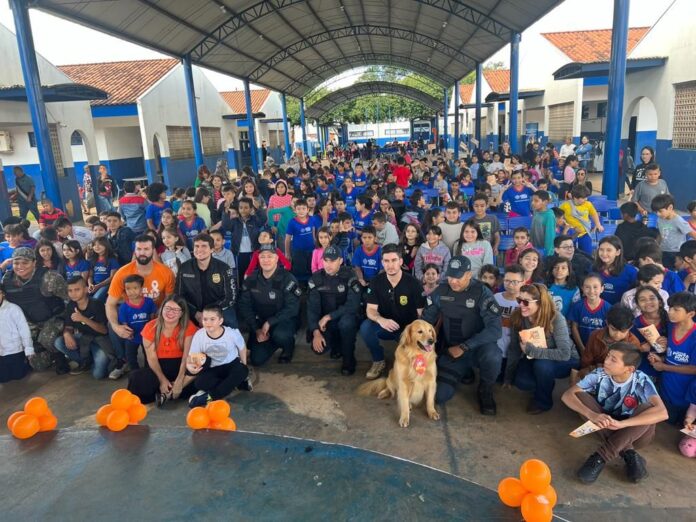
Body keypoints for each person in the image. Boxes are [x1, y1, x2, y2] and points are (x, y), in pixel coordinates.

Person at [562, 343, 668, 484]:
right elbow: (567, 396)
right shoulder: (599, 374)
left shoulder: (641, 380)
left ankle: (601, 457)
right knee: (580, 395)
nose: (606, 361)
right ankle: (628, 453)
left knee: (650, 408)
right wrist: (591, 414)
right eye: (608, 356)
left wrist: (622, 424)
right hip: (606, 423)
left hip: (637, 435)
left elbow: (663, 413)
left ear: (629, 369)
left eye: (613, 360)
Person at [423, 256, 503, 415]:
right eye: (450, 276)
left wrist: (465, 346)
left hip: (477, 348)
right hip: (453, 350)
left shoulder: (482, 292)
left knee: (493, 356)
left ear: (468, 274)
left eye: (458, 277)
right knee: (438, 396)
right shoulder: (441, 291)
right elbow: (426, 320)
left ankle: (485, 389)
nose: (453, 281)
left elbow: (495, 330)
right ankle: (465, 372)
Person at [106, 235, 175, 379]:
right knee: (111, 325)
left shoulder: (165, 272)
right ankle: (123, 360)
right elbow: (110, 304)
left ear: (153, 250)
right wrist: (116, 326)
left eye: (146, 249)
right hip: (130, 319)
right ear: (134, 251)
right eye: (139, 249)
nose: (142, 252)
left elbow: (170, 303)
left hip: (155, 318)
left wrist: (162, 322)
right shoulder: (123, 273)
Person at [505, 283, 579, 414]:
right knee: (522, 383)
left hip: (565, 360)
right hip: (535, 357)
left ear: (539, 302)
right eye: (519, 300)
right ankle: (543, 382)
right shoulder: (518, 317)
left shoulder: (556, 318)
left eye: (526, 302)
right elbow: (514, 349)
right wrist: (508, 376)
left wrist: (531, 351)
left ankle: (543, 402)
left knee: (542, 366)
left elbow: (565, 354)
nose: (520, 305)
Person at [359, 244, 426, 379]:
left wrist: (410, 334)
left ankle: (411, 358)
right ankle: (378, 360)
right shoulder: (376, 282)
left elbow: (421, 315)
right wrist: (381, 320)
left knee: (417, 373)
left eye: (394, 260)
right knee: (366, 327)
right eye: (387, 261)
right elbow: (370, 310)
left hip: (408, 330)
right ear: (382, 262)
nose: (390, 265)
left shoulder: (414, 283)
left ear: (400, 261)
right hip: (386, 327)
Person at [2, 247, 67, 372]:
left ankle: (59, 356)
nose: (20, 266)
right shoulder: (7, 280)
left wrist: (69, 327)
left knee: (46, 338)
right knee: (39, 365)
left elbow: (70, 299)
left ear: (34, 262)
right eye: (16, 263)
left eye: (25, 262)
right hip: (29, 323)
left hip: (53, 318)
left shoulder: (50, 277)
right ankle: (44, 352)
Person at [127, 295, 198, 406]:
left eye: (175, 310)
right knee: (137, 377)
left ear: (182, 313)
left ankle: (169, 392)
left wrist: (180, 381)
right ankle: (168, 391)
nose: (170, 312)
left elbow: (186, 357)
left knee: (201, 366)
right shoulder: (150, 327)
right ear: (161, 309)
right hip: (159, 367)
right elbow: (152, 359)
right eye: (167, 308)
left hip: (180, 367)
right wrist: (162, 380)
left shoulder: (189, 326)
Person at [238, 244, 301, 366]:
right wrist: (256, 329)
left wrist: (270, 322)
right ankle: (271, 340)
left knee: (281, 335)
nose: (266, 260)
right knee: (256, 359)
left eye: (270, 257)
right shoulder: (251, 279)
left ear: (277, 258)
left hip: (284, 321)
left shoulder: (288, 278)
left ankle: (288, 347)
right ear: (258, 259)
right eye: (262, 257)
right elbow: (244, 306)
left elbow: (292, 308)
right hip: (260, 323)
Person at [308, 246, 362, 375]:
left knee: (346, 324)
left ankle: (349, 359)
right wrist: (315, 332)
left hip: (344, 317)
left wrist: (329, 316)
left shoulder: (350, 275)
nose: (328, 264)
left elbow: (352, 305)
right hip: (326, 322)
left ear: (341, 261)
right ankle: (336, 346)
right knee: (318, 349)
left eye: (333, 261)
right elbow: (312, 308)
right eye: (326, 260)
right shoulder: (316, 278)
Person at [186, 305, 250, 408]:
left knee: (242, 370)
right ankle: (233, 384)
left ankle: (209, 397)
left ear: (220, 321)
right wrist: (190, 367)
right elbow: (192, 356)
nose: (208, 323)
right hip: (213, 368)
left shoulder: (231, 333)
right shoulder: (199, 335)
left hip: (231, 365)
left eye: (212, 319)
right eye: (205, 319)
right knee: (199, 383)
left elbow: (242, 347)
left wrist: (244, 363)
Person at [648, 292, 696, 423]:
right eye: (670, 308)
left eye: (676, 309)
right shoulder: (671, 326)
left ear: (690, 314)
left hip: (684, 394)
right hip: (666, 388)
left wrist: (664, 366)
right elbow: (672, 355)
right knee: (664, 423)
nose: (670, 312)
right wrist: (660, 359)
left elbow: (694, 369)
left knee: (680, 424)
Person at [54, 276, 112, 378]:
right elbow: (69, 327)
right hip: (84, 338)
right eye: (70, 291)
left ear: (86, 289)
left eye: (77, 289)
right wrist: (66, 334)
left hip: (100, 341)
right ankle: (86, 361)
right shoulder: (71, 306)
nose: (73, 293)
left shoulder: (96, 304)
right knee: (59, 342)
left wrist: (83, 319)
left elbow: (103, 330)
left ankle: (93, 358)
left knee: (98, 375)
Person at [176, 233, 238, 328]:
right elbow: (179, 295)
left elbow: (230, 296)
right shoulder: (184, 268)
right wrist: (195, 313)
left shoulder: (224, 268)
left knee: (231, 323)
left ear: (212, 250)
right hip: (193, 310)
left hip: (219, 309)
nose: (199, 249)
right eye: (196, 246)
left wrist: (208, 313)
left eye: (204, 246)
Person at [577, 305, 641, 380]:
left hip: (618, 378)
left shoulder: (633, 343)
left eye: (623, 331)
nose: (617, 335)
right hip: (594, 373)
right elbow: (586, 360)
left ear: (630, 327)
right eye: (613, 329)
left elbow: (629, 369)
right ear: (607, 323)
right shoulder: (595, 335)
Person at [116, 274, 156, 372]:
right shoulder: (123, 307)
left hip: (147, 337)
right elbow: (124, 324)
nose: (131, 291)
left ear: (142, 288)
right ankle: (135, 373)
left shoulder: (149, 302)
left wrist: (152, 334)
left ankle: (148, 373)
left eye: (135, 288)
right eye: (128, 288)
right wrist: (127, 334)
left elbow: (153, 318)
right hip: (132, 338)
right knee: (131, 358)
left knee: (149, 357)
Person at [569, 273, 612, 353]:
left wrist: (602, 348)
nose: (591, 291)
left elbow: (610, 331)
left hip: (601, 349)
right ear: (582, 288)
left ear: (602, 289)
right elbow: (574, 327)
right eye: (587, 287)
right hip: (581, 347)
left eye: (595, 287)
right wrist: (582, 348)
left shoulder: (608, 308)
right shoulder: (577, 306)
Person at [0, 282, 34, 383]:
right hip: (1, 353)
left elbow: (24, 330)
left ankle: (26, 363)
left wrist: (28, 349)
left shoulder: (13, 309)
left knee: (18, 375)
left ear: (2, 293)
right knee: (3, 379)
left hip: (14, 350)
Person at [651, 194, 696, 269]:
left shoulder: (678, 220)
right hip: (663, 251)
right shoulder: (660, 219)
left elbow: (693, 234)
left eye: (660, 211)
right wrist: (656, 246)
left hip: (676, 253)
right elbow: (660, 233)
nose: (658, 214)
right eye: (656, 212)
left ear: (670, 207)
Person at [560, 185, 603, 255]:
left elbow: (594, 214)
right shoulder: (565, 205)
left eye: (586, 197)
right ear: (575, 198)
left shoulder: (588, 204)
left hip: (585, 234)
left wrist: (598, 224)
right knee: (569, 254)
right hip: (571, 234)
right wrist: (565, 224)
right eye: (583, 198)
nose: (586, 199)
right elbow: (558, 216)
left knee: (587, 254)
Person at [594, 236, 638, 305]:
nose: (604, 253)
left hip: (621, 311)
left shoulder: (630, 271)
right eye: (601, 249)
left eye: (609, 250)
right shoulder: (593, 269)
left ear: (618, 252)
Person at [530, 190, 555, 254]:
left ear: (545, 202)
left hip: (543, 251)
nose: (532, 203)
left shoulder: (549, 216)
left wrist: (548, 254)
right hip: (534, 248)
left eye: (536, 201)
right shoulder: (536, 211)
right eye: (532, 200)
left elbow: (550, 236)